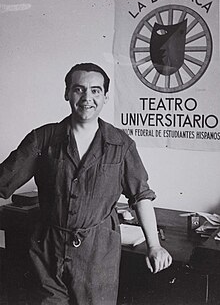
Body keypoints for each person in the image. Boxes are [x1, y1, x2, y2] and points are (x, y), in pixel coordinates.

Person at [0, 63, 172, 305]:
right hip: (47, 251)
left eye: (95, 91)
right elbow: (4, 179)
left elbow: (141, 195)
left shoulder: (121, 144)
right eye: (79, 89)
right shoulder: (42, 138)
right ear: (67, 93)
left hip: (98, 255)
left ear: (105, 97)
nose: (87, 98)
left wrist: (154, 246)